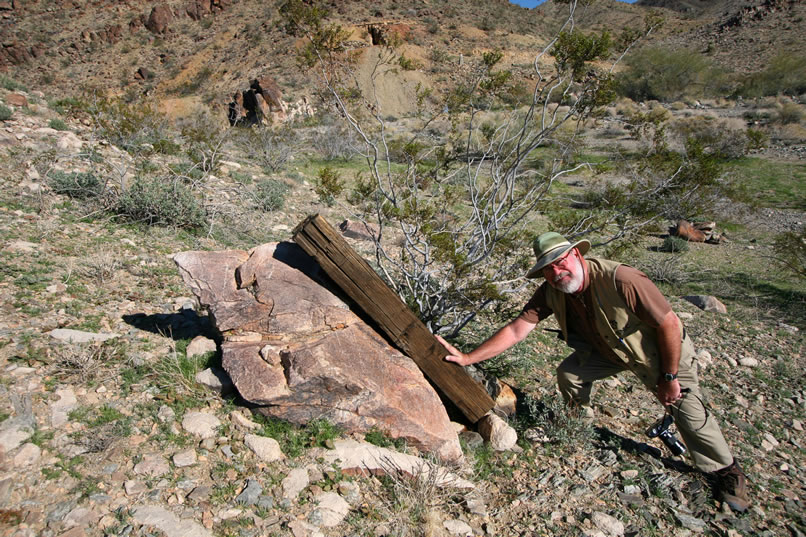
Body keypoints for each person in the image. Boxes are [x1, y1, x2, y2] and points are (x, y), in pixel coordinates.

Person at [437, 232, 751, 512]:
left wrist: (669, 378)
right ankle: (578, 423)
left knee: (688, 412)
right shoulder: (552, 289)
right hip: (612, 349)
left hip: (662, 351)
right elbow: (519, 329)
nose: (557, 272)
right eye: (548, 268)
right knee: (571, 373)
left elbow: (670, 323)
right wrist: (468, 357)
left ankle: (727, 472)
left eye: (561, 263)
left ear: (577, 255)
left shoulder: (622, 279)